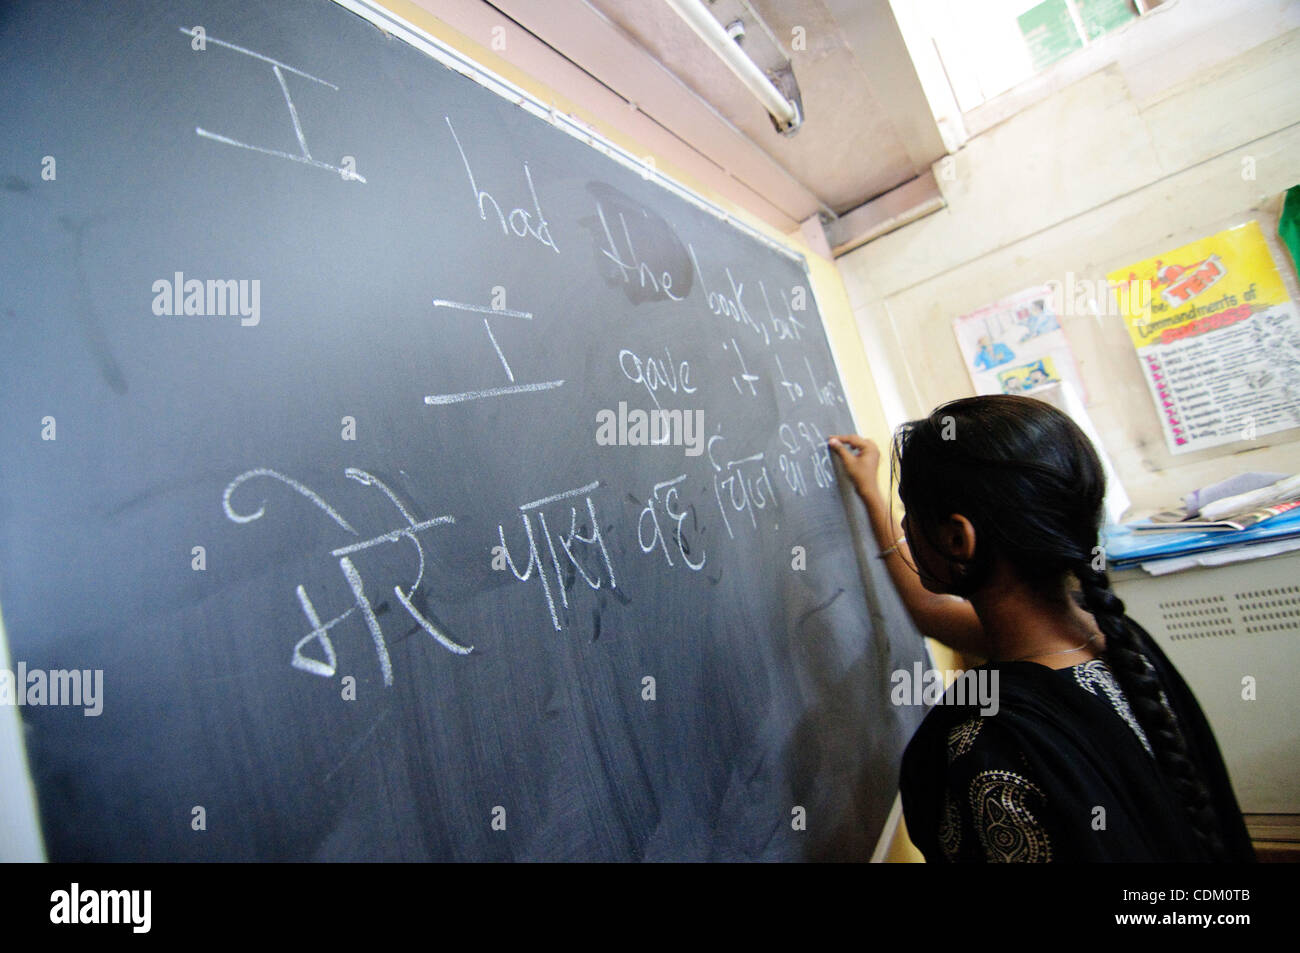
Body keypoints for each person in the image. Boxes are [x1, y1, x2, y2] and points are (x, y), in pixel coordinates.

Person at [829, 395, 1255, 862]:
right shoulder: (1117, 641)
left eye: (910, 511)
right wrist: (871, 495)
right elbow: (930, 610)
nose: (906, 524)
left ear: (956, 539)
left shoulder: (996, 746)